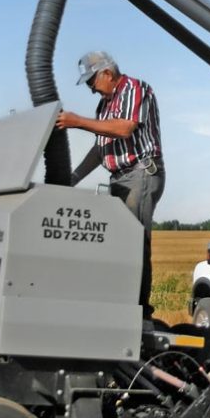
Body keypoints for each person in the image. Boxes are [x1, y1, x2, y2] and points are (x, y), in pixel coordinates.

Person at [56, 51, 165, 319]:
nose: (92, 89)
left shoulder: (135, 89)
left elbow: (124, 129)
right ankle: (118, 302)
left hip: (140, 174)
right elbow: (101, 147)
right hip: (118, 178)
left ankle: (139, 311)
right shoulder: (104, 105)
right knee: (117, 242)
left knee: (134, 242)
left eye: (92, 81)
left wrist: (78, 122)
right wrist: (73, 178)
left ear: (107, 73)